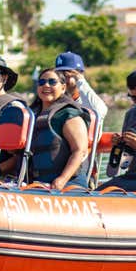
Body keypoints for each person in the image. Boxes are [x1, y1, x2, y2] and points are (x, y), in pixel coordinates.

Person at [54, 51, 108, 187]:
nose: (63, 80)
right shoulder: (54, 103)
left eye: (66, 75)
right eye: (59, 76)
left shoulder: (87, 103)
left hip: (79, 167)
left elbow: (101, 110)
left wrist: (80, 81)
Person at [29, 68, 89, 190]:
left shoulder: (69, 114)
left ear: (63, 87)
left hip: (68, 184)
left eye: (52, 82)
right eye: (42, 82)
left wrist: (62, 179)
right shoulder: (31, 115)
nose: (46, 85)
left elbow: (80, 150)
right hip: (38, 183)